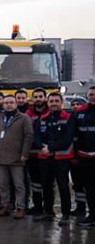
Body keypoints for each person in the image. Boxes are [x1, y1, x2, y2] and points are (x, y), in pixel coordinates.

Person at [34, 92, 75, 225]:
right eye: (51, 101)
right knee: (46, 185)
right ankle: (48, 212)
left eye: (57, 101)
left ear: (61, 102)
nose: (54, 103)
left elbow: (67, 138)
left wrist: (51, 148)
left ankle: (66, 214)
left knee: (63, 186)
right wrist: (43, 148)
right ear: (48, 102)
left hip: (61, 158)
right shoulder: (42, 118)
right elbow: (36, 136)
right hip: (44, 157)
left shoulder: (68, 118)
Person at [0, 95, 34, 219]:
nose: (8, 105)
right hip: (1, 157)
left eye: (11, 102)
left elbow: (29, 136)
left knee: (19, 185)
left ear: (16, 104)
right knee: (3, 184)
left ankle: (20, 207)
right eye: (6, 103)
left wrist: (25, 154)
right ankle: (5, 205)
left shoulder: (24, 118)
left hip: (17, 158)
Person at [73, 87, 95, 227]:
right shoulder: (80, 113)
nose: (93, 97)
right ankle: (92, 215)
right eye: (91, 95)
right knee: (90, 188)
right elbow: (73, 134)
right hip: (84, 157)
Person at [25, 88, 49, 214]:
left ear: (45, 98)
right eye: (36, 97)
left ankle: (48, 208)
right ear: (32, 99)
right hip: (33, 155)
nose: (38, 99)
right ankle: (37, 205)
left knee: (47, 182)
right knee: (35, 182)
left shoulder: (50, 112)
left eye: (41, 96)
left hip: (48, 154)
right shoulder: (28, 115)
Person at [70, 96, 88, 216]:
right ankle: (80, 207)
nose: (75, 106)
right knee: (77, 184)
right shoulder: (70, 119)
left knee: (89, 184)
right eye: (73, 104)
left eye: (78, 104)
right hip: (73, 158)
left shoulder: (87, 118)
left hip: (87, 158)